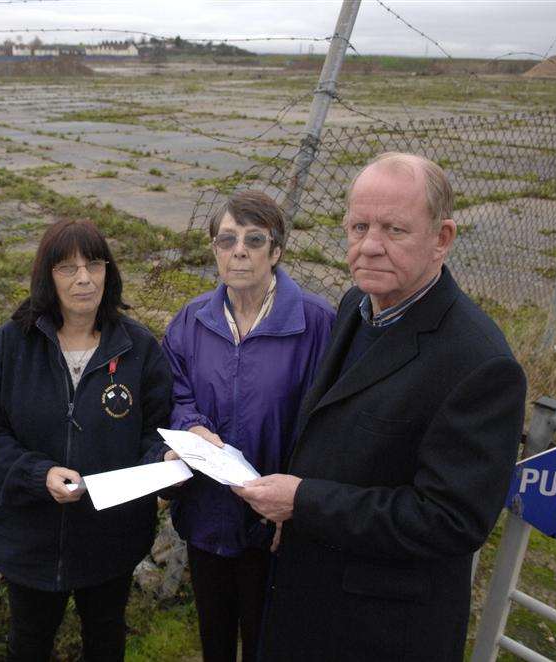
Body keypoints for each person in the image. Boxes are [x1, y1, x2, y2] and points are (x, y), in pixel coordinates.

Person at [233, 153, 527, 661]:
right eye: (359, 225)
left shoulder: (479, 363)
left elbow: (449, 520)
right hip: (308, 595)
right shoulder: (357, 305)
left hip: (383, 627)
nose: (369, 246)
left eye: (394, 229)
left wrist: (303, 501)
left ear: (443, 238)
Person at [0, 219, 173, 662]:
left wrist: (163, 458)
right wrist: (39, 475)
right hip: (28, 538)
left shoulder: (138, 349)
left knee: (105, 637)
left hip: (111, 538)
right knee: (30, 642)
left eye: (94, 264)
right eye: (66, 268)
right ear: (46, 277)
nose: (83, 278)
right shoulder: (10, 347)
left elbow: (155, 429)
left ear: (108, 272)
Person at [161, 190, 335, 662]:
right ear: (215, 250)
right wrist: (192, 425)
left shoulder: (317, 324)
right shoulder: (190, 321)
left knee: (270, 639)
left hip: (276, 522)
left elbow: (329, 425)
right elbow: (173, 392)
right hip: (207, 516)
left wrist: (298, 506)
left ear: (276, 251)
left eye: (254, 239)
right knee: (214, 636)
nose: (239, 250)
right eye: (226, 239)